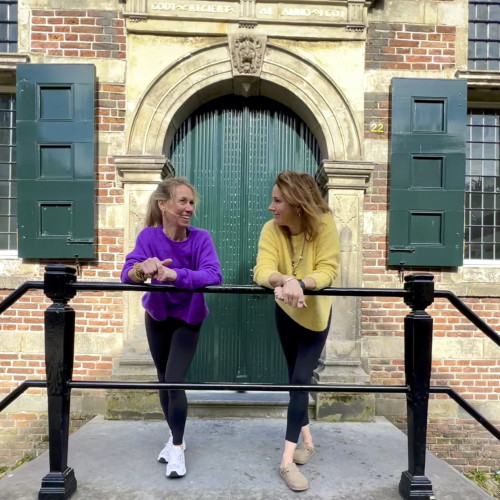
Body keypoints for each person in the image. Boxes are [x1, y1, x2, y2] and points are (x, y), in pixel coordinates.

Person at [121, 177, 222, 479]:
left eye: (191, 203)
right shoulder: (149, 237)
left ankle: (177, 447)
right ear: (163, 205)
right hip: (158, 316)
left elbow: (213, 274)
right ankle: (174, 435)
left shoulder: (201, 239)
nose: (189, 208)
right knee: (164, 380)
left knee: (175, 379)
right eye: (182, 201)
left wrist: (174, 275)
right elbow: (127, 273)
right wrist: (142, 269)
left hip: (188, 318)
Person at [253, 171, 340, 492]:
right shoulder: (271, 229)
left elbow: (328, 269)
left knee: (301, 380)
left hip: (315, 316)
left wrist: (301, 283)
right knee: (295, 381)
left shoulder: (324, 225)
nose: (271, 207)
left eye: (278, 201)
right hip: (286, 313)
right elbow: (262, 269)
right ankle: (308, 443)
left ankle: (286, 462)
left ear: (298, 204)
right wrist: (286, 280)